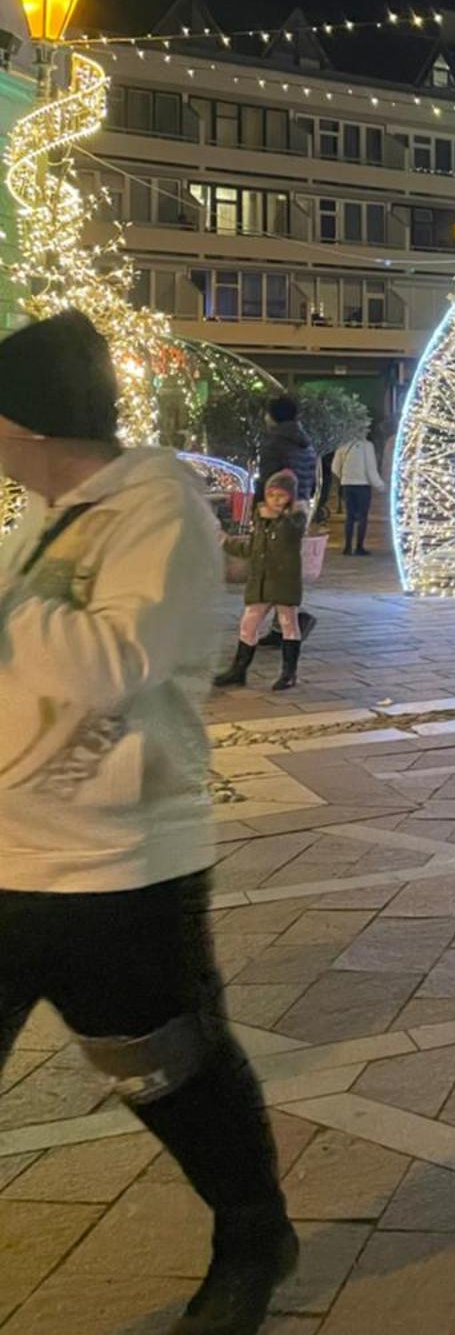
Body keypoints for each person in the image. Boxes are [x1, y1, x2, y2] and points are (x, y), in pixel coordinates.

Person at [0, 311, 297, 1331]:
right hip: (8, 849)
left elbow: (115, 664)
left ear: (25, 423)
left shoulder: (159, 507)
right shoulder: (46, 515)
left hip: (119, 864)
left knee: (170, 1070)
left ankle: (253, 1231)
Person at [217, 471, 306, 694]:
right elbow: (252, 549)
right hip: (260, 581)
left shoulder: (294, 519)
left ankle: (289, 673)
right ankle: (239, 670)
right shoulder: (261, 518)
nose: (275, 500)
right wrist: (225, 542)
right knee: (248, 623)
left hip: (284, 580)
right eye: (271, 494)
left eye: (281, 496)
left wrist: (276, 515)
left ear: (290, 498)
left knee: (288, 623)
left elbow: (290, 531)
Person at [256, 394, 317, 512]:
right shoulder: (306, 443)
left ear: (274, 416)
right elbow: (312, 482)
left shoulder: (275, 443)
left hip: (278, 509)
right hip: (301, 507)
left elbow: (266, 478)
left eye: (267, 413)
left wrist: (258, 506)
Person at [332, 421, 384, 556]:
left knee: (350, 516)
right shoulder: (367, 446)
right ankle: (359, 546)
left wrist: (345, 477)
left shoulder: (343, 445)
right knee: (362, 517)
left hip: (347, 485)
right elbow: (371, 469)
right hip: (363, 485)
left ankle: (347, 547)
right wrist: (379, 485)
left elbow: (335, 467)